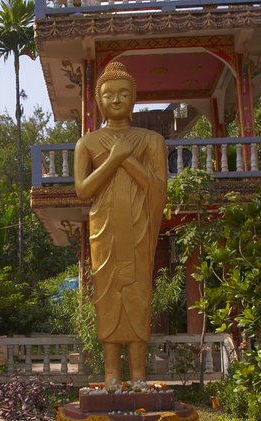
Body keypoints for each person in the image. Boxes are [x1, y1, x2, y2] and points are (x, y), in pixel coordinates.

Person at [73, 62, 167, 390]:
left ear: (135, 99)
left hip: (139, 228)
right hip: (105, 229)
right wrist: (114, 158)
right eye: (109, 94)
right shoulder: (88, 143)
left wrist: (126, 157)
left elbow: (158, 188)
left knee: (138, 294)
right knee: (108, 296)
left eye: (124, 94)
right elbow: (83, 190)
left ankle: (139, 375)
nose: (116, 100)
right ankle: (111, 374)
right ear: (98, 99)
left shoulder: (151, 140)